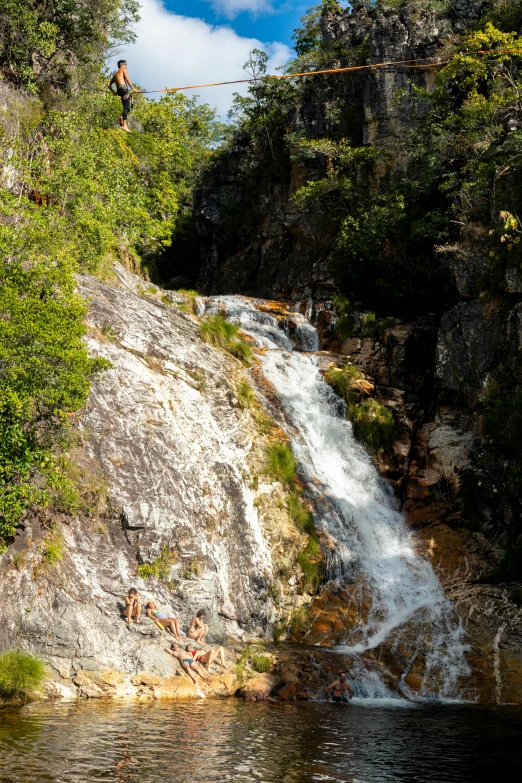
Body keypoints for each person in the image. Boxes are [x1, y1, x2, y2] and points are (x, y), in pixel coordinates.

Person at [108, 60, 138, 133]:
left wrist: (113, 92)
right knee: (127, 107)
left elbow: (108, 84)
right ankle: (124, 125)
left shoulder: (115, 74)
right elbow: (127, 79)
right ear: (122, 65)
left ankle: (122, 117)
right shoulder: (123, 69)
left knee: (127, 107)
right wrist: (133, 88)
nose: (126, 67)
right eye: (126, 65)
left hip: (119, 90)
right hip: (123, 89)